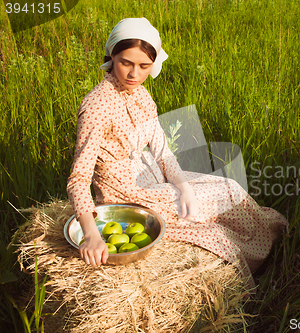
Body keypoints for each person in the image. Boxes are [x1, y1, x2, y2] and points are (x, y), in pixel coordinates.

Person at [66, 18, 287, 288]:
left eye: (144, 66)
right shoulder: (97, 106)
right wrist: (90, 233)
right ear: (111, 55)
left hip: (152, 174)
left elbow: (161, 150)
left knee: (229, 187)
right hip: (126, 192)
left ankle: (274, 238)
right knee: (213, 232)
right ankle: (252, 270)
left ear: (154, 65)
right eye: (126, 63)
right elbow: (79, 176)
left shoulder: (143, 97)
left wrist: (184, 187)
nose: (134, 74)